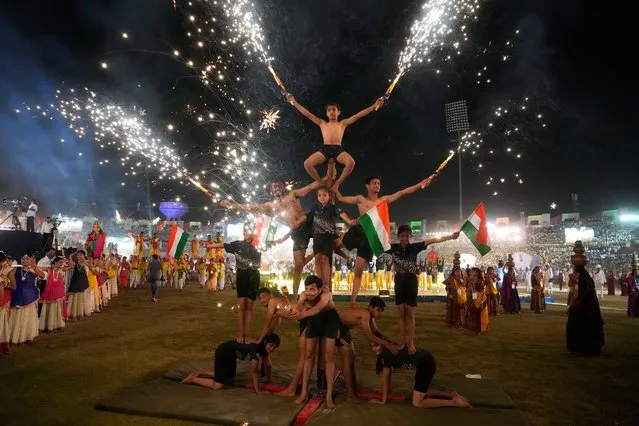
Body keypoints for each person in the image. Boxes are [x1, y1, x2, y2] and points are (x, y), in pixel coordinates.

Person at [336, 174, 436, 303]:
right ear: (367, 186)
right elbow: (340, 198)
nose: (377, 185)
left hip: (370, 238)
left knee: (359, 270)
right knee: (334, 244)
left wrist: (420, 184)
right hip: (357, 231)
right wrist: (334, 182)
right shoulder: (360, 199)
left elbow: (402, 193)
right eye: (374, 183)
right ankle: (347, 256)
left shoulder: (383, 200)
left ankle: (352, 301)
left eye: (378, 183)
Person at [220, 179, 320, 298]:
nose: (277, 188)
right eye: (275, 186)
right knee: (299, 266)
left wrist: (326, 178)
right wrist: (232, 205)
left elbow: (310, 187)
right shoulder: (271, 205)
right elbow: (252, 207)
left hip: (308, 223)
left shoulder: (292, 194)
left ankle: (321, 284)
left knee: (327, 251)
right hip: (297, 232)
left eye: (279, 186)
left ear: (283, 187)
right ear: (271, 189)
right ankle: (294, 296)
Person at [286, 93, 384, 192]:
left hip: (338, 149)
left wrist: (374, 105)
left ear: (339, 112)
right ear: (326, 114)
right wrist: (294, 102)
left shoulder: (343, 123)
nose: (331, 112)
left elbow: (358, 115)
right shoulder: (322, 123)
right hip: (325, 149)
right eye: (329, 110)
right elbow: (307, 114)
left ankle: (337, 183)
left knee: (351, 163)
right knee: (307, 164)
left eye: (334, 110)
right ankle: (320, 183)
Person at [387, 225, 459, 352]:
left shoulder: (414, 247)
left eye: (407, 236)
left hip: (411, 281)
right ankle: (403, 342)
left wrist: (451, 237)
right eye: (402, 236)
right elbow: (375, 243)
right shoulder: (392, 248)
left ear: (411, 237)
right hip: (399, 281)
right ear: (398, 237)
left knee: (410, 313)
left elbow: (432, 240)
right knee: (401, 313)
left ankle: (410, 342)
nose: (405, 238)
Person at [369, 332, 470, 408]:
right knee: (421, 391)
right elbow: (387, 375)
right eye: (372, 346)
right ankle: (451, 394)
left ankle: (454, 402)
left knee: (417, 403)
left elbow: (386, 377)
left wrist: (383, 401)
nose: (373, 349)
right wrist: (383, 390)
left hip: (426, 364)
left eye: (376, 345)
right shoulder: (386, 351)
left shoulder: (386, 354)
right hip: (426, 360)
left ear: (382, 343)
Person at [337, 297, 400, 402]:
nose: (380, 313)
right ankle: (350, 395)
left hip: (344, 329)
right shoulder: (365, 314)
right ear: (371, 307)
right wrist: (387, 345)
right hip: (337, 328)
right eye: (378, 310)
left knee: (352, 358)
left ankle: (353, 389)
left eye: (381, 311)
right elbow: (369, 335)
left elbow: (377, 333)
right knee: (347, 360)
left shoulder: (370, 316)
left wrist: (391, 343)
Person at [291, 275, 340, 408]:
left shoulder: (326, 294)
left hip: (330, 319)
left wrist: (303, 314)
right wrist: (296, 309)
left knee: (329, 356)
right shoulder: (304, 294)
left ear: (319, 290)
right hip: (314, 319)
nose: (309, 292)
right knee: (308, 355)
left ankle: (329, 395)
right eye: (307, 289)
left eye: (312, 289)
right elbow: (300, 303)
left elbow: (318, 308)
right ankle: (304, 392)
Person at [208, 223, 262, 343]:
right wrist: (210, 245)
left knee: (250, 306)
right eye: (246, 230)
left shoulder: (259, 245)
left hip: (254, 275)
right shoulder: (237, 244)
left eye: (250, 230)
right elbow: (223, 245)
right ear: (243, 232)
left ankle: (247, 336)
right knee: (242, 305)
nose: (248, 232)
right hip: (242, 275)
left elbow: (272, 242)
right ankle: (240, 335)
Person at [181, 333, 280, 392]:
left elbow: (269, 365)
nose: (271, 349)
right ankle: (193, 379)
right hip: (223, 351)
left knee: (230, 376)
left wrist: (270, 382)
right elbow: (255, 371)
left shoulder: (263, 349)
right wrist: (258, 391)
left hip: (231, 354)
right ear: (265, 342)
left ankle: (203, 372)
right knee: (218, 386)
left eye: (274, 348)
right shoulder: (256, 348)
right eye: (270, 346)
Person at [307, 185, 355, 290]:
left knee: (325, 259)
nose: (322, 197)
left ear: (329, 197)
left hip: (328, 237)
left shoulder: (332, 207)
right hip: (317, 237)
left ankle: (326, 285)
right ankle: (319, 283)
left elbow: (342, 214)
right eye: (319, 195)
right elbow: (307, 217)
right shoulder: (315, 207)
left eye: (325, 195)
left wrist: (349, 221)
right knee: (317, 259)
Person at [566, 267, 605, 356]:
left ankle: (579, 348)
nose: (574, 275)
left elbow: (576, 295)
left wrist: (569, 306)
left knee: (578, 327)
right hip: (591, 309)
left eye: (576, 274)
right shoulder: (587, 280)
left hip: (583, 310)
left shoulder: (582, 282)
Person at [10, 254, 45, 345]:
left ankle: (26, 336)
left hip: (30, 297)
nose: (25, 260)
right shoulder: (16, 269)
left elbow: (42, 276)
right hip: (17, 296)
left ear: (31, 260)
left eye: (27, 259)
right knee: (17, 316)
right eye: (23, 259)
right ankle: (15, 337)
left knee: (27, 316)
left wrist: (34, 266)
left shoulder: (33, 269)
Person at [39, 255, 72, 332]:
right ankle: (48, 325)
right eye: (59, 262)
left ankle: (57, 325)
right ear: (54, 263)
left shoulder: (62, 270)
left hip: (59, 292)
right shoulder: (49, 270)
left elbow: (71, 266)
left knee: (58, 309)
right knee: (50, 308)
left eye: (62, 262)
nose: (61, 264)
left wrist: (68, 258)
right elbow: (39, 267)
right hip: (50, 292)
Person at [66, 251, 92, 319]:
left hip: (82, 283)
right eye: (78, 255)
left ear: (84, 256)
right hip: (75, 282)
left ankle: (80, 314)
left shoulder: (86, 263)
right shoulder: (75, 263)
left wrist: (85, 262)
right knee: (73, 299)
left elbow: (92, 268)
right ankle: (73, 314)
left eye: (81, 255)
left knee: (81, 298)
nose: (79, 257)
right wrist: (75, 252)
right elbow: (70, 257)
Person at [1, 251, 17, 354]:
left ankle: (2, 346)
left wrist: (3, 285)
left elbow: (14, 287)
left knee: (1, 323)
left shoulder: (8, 270)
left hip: (3, 298)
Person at [464, 268, 489, 334]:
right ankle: (472, 329)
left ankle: (478, 330)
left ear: (476, 273)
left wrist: (479, 301)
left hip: (479, 300)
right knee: (472, 314)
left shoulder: (479, 281)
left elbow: (482, 292)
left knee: (478, 315)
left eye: (472, 271)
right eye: (471, 271)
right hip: (473, 298)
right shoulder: (471, 280)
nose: (471, 272)